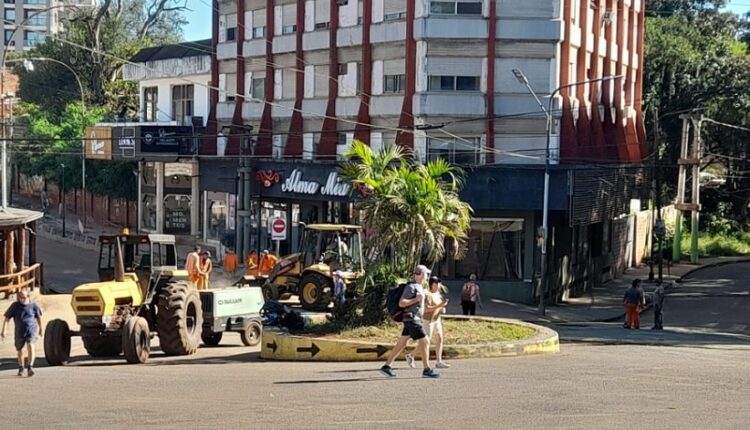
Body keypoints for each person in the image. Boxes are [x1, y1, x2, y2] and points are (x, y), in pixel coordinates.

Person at [379, 265, 441, 379]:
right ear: (422, 275)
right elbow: (402, 303)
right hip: (412, 319)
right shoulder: (411, 287)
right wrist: (416, 299)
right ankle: (427, 369)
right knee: (425, 341)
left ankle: (386, 366)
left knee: (402, 343)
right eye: (426, 274)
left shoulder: (419, 287)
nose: (427, 276)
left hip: (413, 319)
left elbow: (420, 306)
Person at [2, 289, 43, 377]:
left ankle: (30, 367)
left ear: (28, 297)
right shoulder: (14, 306)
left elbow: (38, 317)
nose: (22, 299)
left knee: (30, 345)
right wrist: (4, 330)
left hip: (31, 330)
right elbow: (6, 318)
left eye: (23, 297)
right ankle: (21, 367)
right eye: (20, 297)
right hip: (19, 332)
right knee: (19, 350)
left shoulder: (33, 305)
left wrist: (41, 328)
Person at [422, 276, 450, 369]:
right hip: (428, 320)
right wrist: (440, 305)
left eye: (438, 283)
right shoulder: (427, 294)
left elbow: (442, 309)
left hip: (437, 319)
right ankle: (411, 355)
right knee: (426, 341)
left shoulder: (438, 294)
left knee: (440, 338)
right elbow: (426, 309)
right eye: (435, 283)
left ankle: (439, 361)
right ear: (431, 285)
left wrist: (443, 307)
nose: (438, 285)